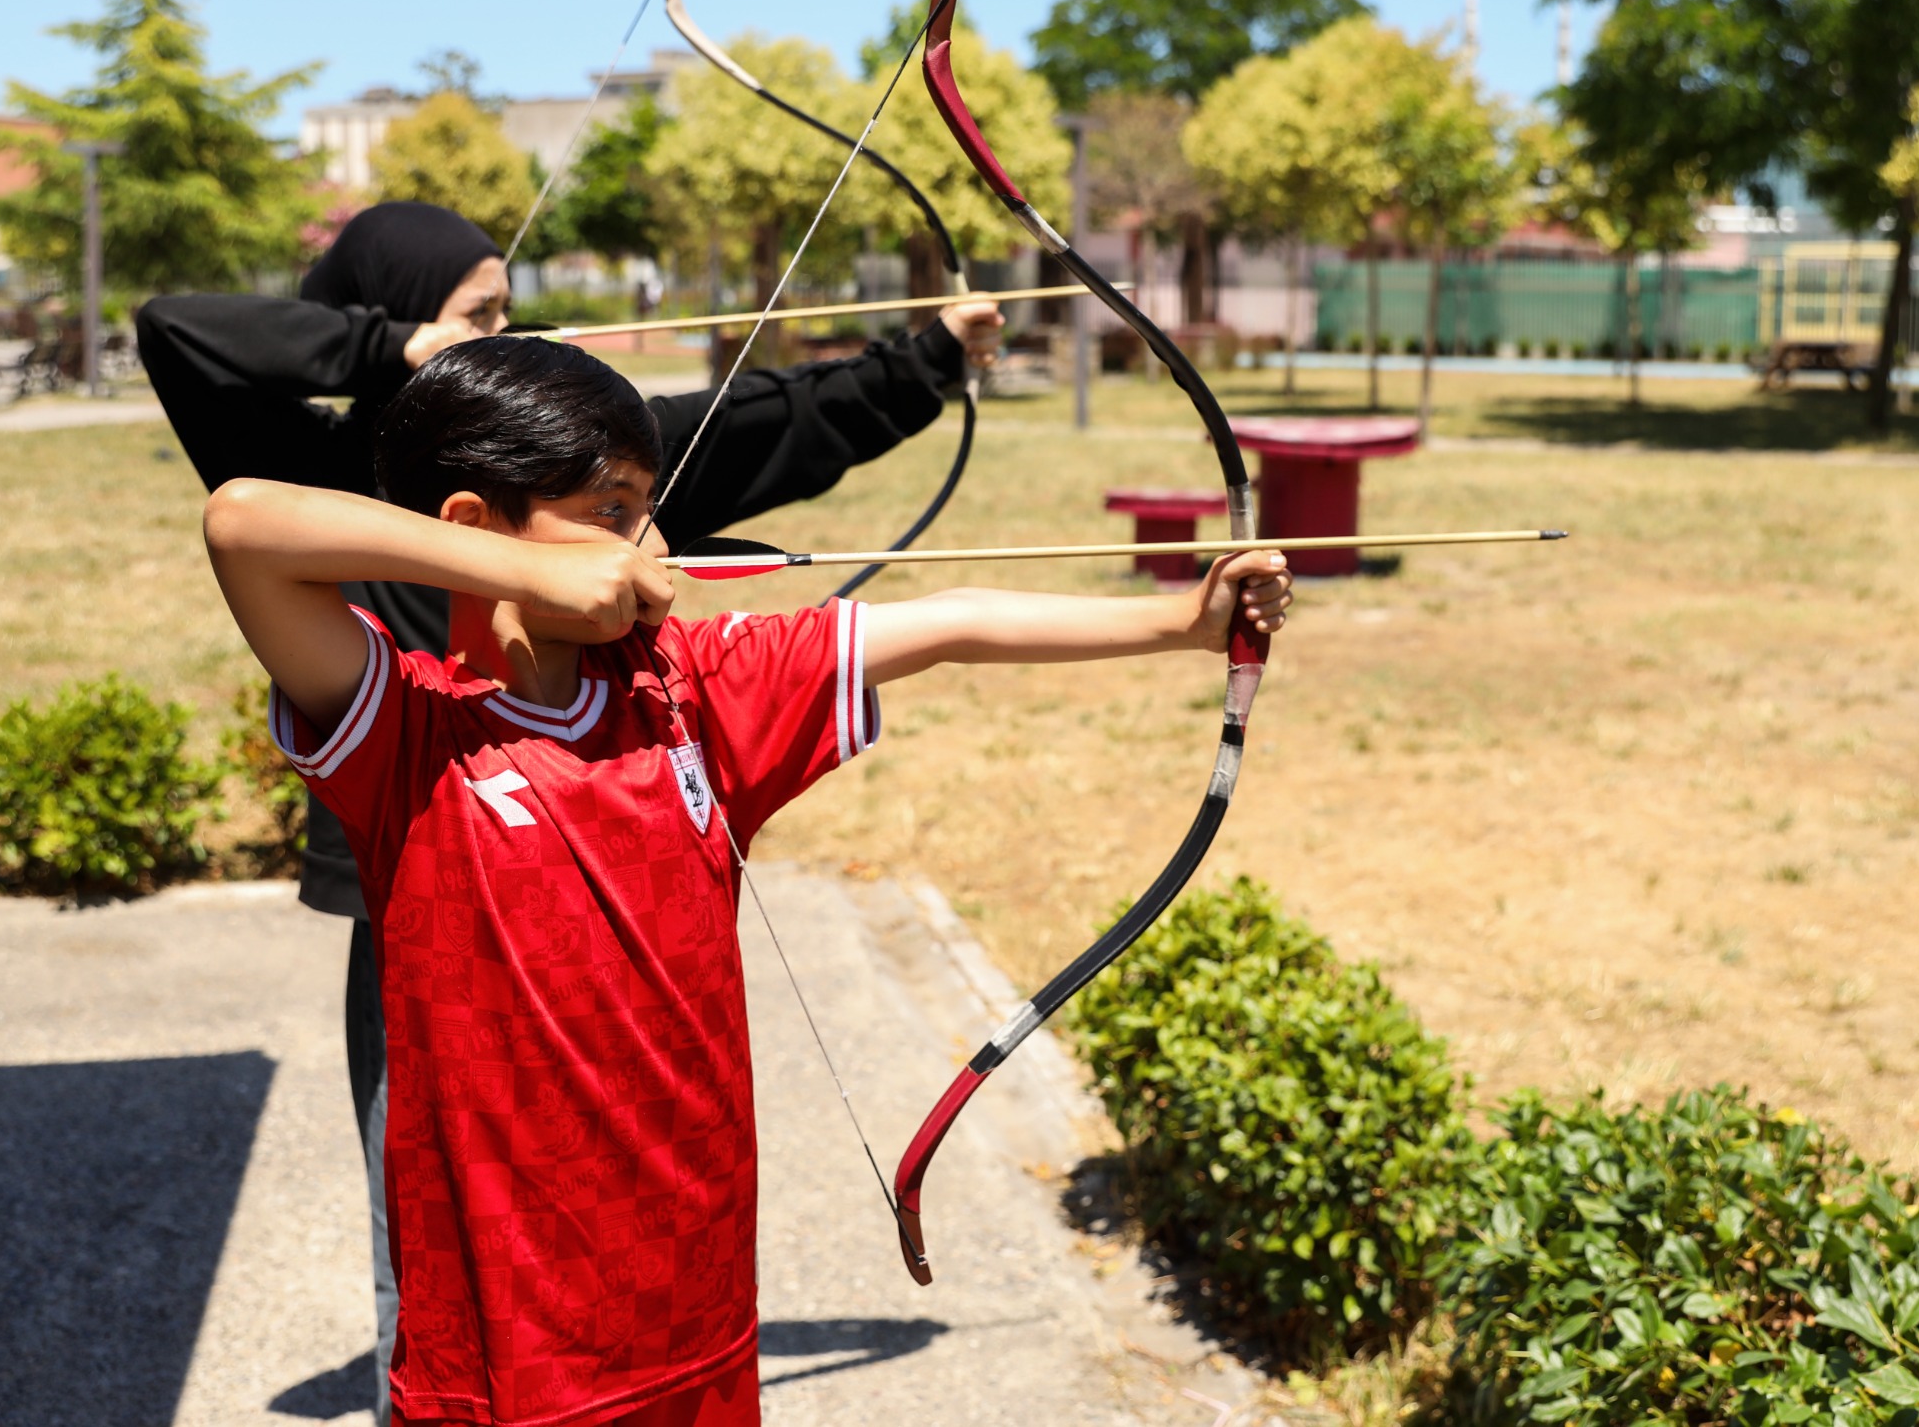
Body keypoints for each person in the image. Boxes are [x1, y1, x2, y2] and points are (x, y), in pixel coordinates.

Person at [201, 337, 1289, 1427]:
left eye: (649, 507)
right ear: (475, 528)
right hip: (507, 1338)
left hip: (695, 1303)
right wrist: (533, 574)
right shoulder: (408, 731)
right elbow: (243, 521)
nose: (654, 543)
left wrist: (1177, 625)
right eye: (614, 509)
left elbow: (953, 624)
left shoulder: (695, 695)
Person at [136, 201, 1004, 1421]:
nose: (503, 326)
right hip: (429, 868)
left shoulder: (570, 483)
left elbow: (756, 428)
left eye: (507, 305)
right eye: (478, 309)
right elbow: (187, 352)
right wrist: (403, 355)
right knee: (445, 1201)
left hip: (584, 854)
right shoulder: (323, 448)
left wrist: (923, 361)